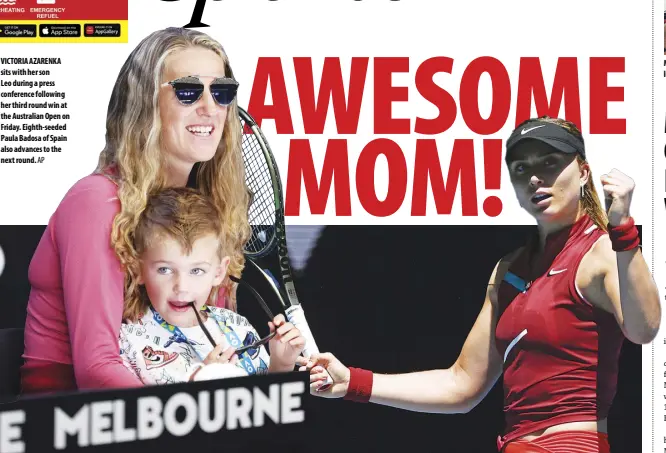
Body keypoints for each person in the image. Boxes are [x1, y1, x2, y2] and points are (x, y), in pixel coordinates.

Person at [300, 117, 661, 453]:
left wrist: (624, 230)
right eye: (522, 169)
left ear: (583, 172)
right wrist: (353, 383)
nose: (535, 177)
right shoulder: (509, 270)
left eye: (549, 162)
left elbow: (644, 328)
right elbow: (461, 384)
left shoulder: (602, 250)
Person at [21, 27, 251, 393]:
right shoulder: (95, 202)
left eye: (222, 92)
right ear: (146, 104)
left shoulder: (210, 209)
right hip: (70, 424)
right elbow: (97, 370)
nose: (210, 108)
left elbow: (217, 349)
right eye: (189, 91)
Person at [120, 188, 304, 384]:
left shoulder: (237, 326)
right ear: (138, 269)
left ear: (218, 272)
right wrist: (203, 380)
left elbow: (269, 408)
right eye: (165, 270)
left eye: (197, 271)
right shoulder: (130, 341)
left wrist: (281, 365)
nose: (182, 287)